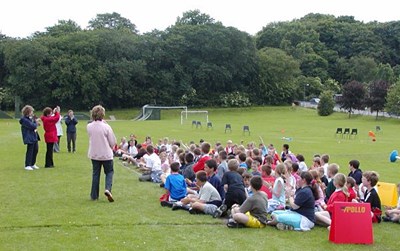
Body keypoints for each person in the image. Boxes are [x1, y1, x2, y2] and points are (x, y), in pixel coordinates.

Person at [87, 105, 116, 202]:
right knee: (109, 172)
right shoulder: (106, 127)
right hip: (106, 154)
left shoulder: (89, 126)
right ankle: (108, 189)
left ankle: (94, 195)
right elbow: (112, 142)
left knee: (96, 174)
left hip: (94, 154)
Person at [19, 105, 40, 171]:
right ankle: (27, 165)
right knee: (30, 151)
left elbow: (34, 124)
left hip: (34, 136)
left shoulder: (30, 118)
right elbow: (32, 126)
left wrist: (35, 122)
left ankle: (32, 163)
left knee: (35, 150)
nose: (32, 112)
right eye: (31, 111)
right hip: (29, 136)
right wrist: (36, 123)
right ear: (28, 112)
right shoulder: (24, 120)